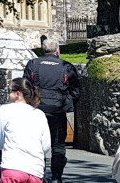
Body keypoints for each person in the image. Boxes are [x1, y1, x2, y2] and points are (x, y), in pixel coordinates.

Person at [24, 39, 80, 183]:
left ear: (43, 50)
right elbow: (75, 90)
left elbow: (26, 87)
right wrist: (67, 103)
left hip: (37, 110)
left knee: (36, 143)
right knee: (58, 144)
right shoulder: (66, 66)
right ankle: (56, 178)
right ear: (58, 51)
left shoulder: (33, 64)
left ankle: (38, 176)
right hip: (58, 110)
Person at [0, 77, 51, 183]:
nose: (8, 94)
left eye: (10, 91)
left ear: (18, 94)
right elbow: (46, 146)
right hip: (36, 170)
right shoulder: (39, 114)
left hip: (13, 167)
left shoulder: (5, 110)